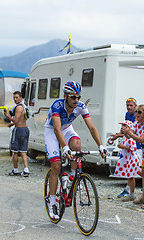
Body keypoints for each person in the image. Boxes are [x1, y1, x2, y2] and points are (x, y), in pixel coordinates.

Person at [44, 81, 107, 219]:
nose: (76, 100)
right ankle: (53, 201)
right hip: (52, 132)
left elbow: (92, 128)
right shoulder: (57, 106)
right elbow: (56, 129)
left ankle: (73, 176)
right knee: (56, 166)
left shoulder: (81, 106)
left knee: (77, 145)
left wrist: (100, 145)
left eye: (78, 97)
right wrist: (65, 147)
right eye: (73, 97)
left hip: (67, 129)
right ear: (65, 96)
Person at [110, 97, 141, 198]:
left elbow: (131, 133)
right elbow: (126, 131)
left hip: (137, 146)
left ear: (135, 106)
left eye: (131, 105)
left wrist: (119, 137)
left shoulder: (136, 116)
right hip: (129, 147)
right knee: (130, 171)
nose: (129, 107)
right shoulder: (127, 114)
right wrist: (117, 135)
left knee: (135, 171)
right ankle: (128, 190)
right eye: (127, 105)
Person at [4, 91, 30, 177]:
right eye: (14, 97)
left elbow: (16, 120)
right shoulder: (24, 106)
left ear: (21, 97)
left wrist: (7, 116)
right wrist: (11, 124)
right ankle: (26, 170)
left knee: (15, 151)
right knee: (23, 151)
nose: (15, 99)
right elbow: (21, 119)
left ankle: (15, 170)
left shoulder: (19, 107)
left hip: (19, 130)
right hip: (25, 129)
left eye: (16, 97)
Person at [113, 121, 140, 202]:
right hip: (128, 159)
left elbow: (133, 148)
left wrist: (123, 146)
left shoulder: (131, 137)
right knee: (130, 176)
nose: (122, 127)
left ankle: (132, 194)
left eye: (125, 126)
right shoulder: (125, 137)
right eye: (122, 126)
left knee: (131, 177)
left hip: (131, 159)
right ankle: (130, 193)